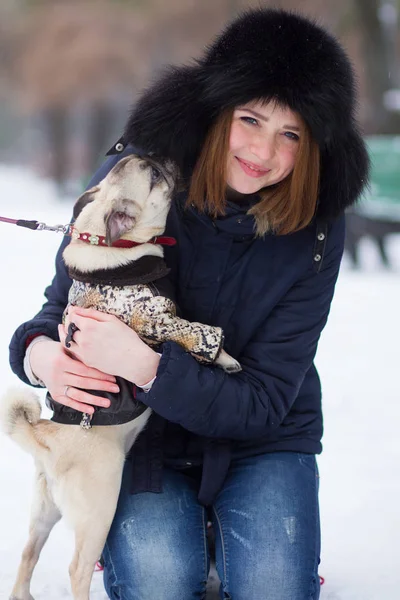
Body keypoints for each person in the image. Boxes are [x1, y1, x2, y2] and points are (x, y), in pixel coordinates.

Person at [9, 8, 369, 600]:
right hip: (143, 438)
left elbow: (267, 398)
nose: (261, 149)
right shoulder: (139, 181)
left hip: (262, 438)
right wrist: (45, 356)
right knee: (158, 582)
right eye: (250, 119)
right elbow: (55, 311)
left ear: (312, 147)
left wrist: (147, 365)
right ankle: (181, 539)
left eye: (291, 133)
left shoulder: (316, 231)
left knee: (274, 588)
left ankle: (240, 533)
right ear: (217, 111)